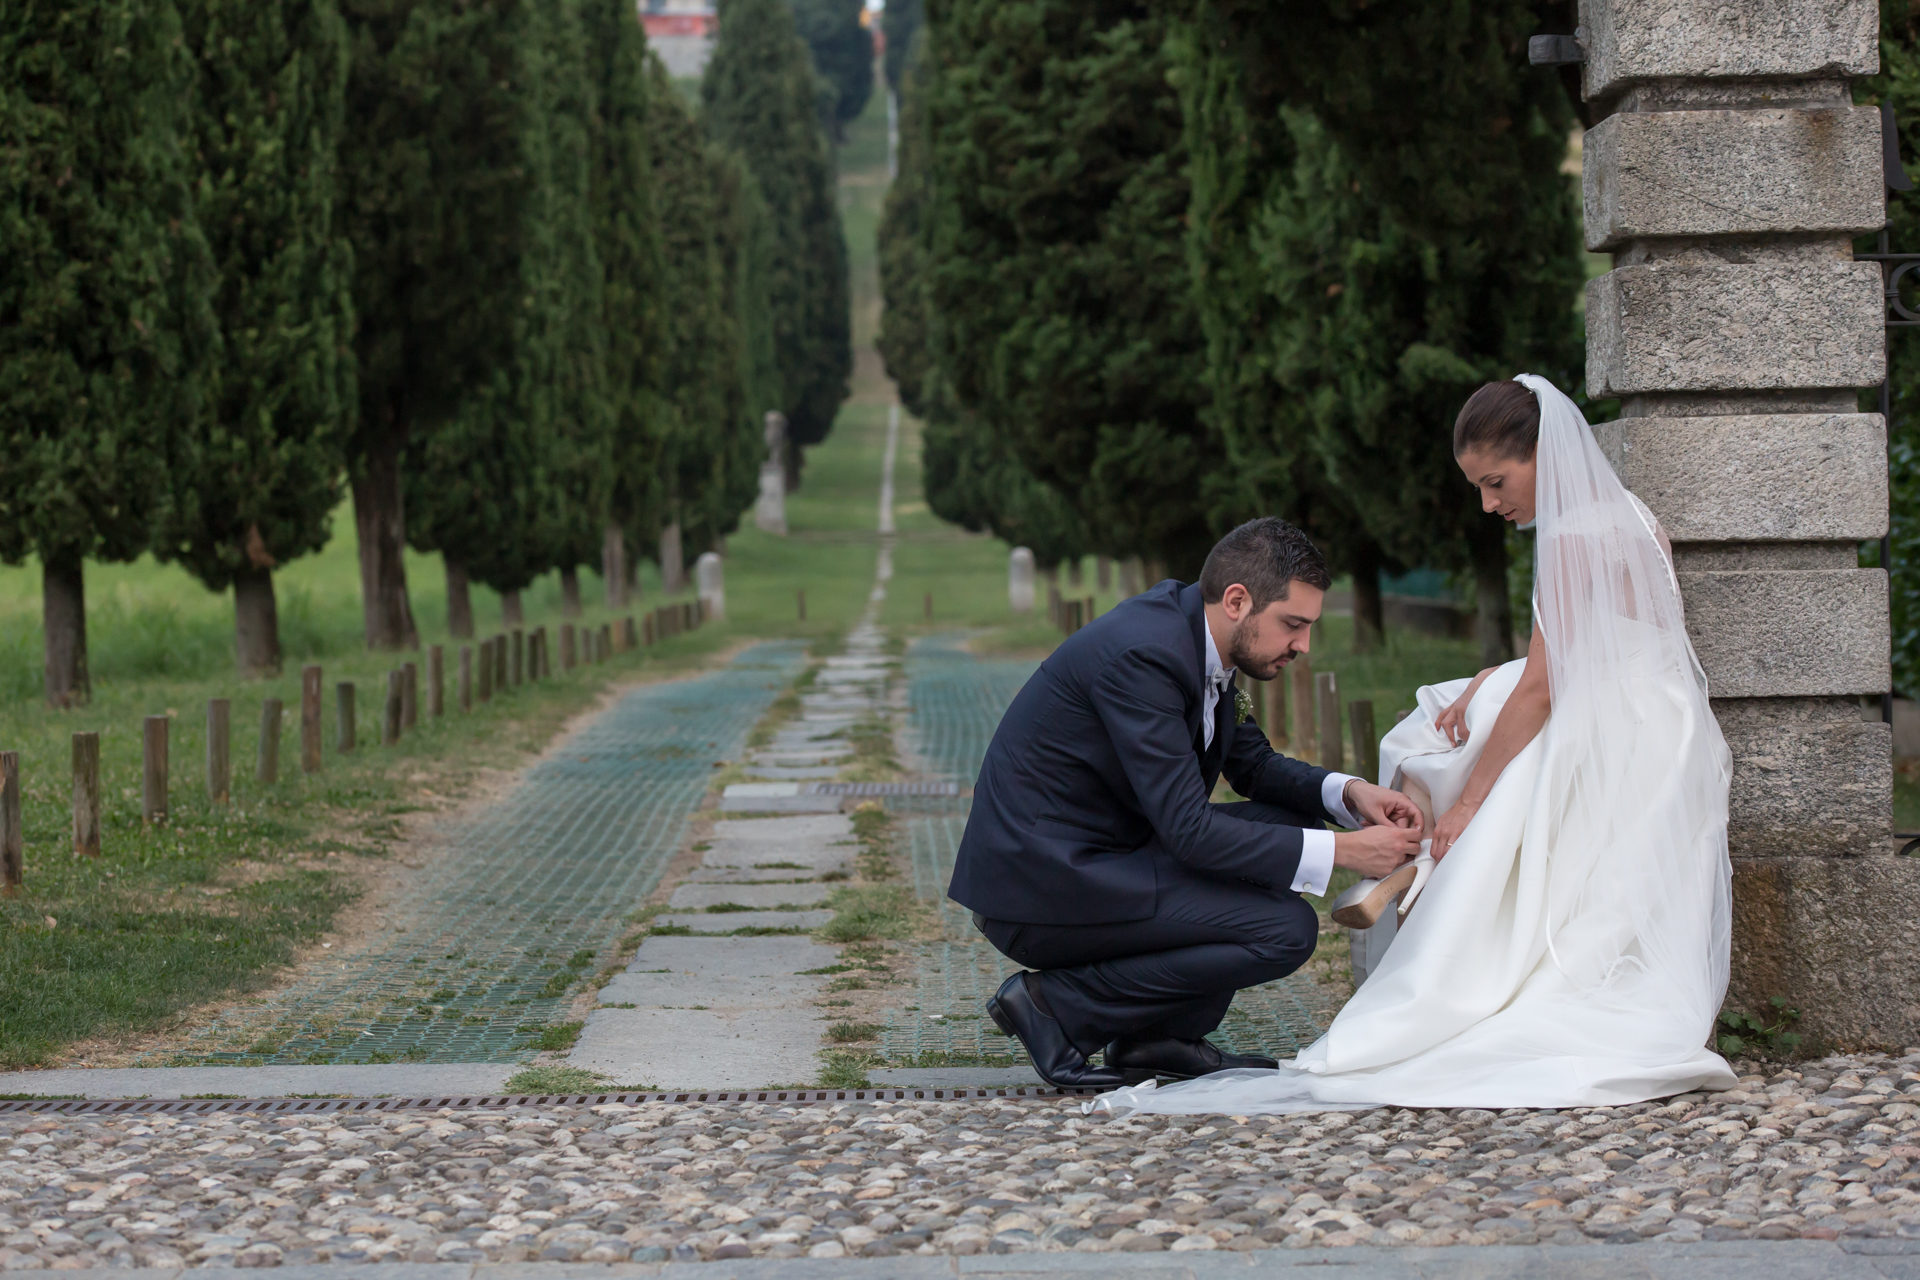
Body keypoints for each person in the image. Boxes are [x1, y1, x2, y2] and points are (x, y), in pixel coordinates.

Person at [1092, 374, 1737, 1117]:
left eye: (1497, 482)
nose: (1491, 505)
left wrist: (1467, 803)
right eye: (1479, 488)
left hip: (1608, 721)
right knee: (1482, 726)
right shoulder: (1629, 512)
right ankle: (1413, 863)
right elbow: (1605, 637)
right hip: (1668, 723)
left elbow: (1546, 689)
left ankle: (1421, 873)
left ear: (1545, 454)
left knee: (1436, 738)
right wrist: (1499, 674)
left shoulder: (1572, 533)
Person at [949, 518, 1425, 1088]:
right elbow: (1190, 833)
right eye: (1293, 625)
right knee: (1283, 931)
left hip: (1110, 857)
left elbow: (1255, 768)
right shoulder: (1143, 658)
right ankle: (1055, 1006)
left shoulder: (1204, 644)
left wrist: (1349, 794)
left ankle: (1159, 1043)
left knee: (1292, 822)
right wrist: (1347, 850)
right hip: (1043, 886)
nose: (1302, 645)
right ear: (1237, 600)